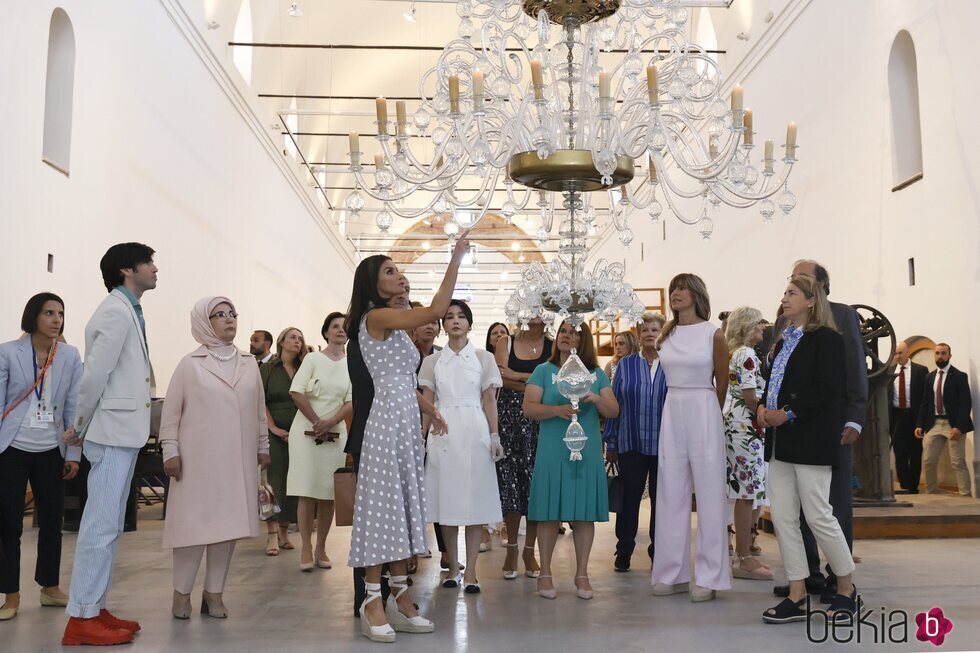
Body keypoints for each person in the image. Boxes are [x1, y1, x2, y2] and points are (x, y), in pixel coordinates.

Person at [344, 232, 470, 643]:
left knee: (403, 509)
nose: (400, 276)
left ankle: (401, 597)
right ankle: (371, 600)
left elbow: (404, 382)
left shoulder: (395, 328)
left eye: (400, 271)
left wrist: (430, 409)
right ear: (371, 282)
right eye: (390, 271)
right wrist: (455, 256)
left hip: (403, 421)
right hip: (384, 423)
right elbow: (435, 309)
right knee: (382, 511)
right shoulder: (374, 319)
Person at [62, 243, 157, 646]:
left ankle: (95, 606)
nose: (155, 269)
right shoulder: (116, 311)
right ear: (125, 270)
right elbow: (94, 374)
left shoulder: (128, 309)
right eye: (148, 262)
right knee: (99, 527)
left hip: (123, 432)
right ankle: (80, 618)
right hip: (111, 432)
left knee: (110, 526)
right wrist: (78, 424)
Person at [160, 297, 270, 619]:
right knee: (192, 531)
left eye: (231, 313)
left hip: (237, 462)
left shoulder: (249, 363)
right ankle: (181, 594)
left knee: (227, 529)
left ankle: (214, 593)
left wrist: (263, 445)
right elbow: (171, 413)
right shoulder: (189, 363)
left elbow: (258, 410)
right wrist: (170, 450)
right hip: (196, 462)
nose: (228, 319)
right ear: (204, 322)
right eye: (219, 315)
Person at [758, 275, 856, 623]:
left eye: (792, 293)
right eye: (784, 292)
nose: (784, 298)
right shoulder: (786, 339)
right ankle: (797, 593)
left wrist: (787, 412)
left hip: (811, 438)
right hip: (780, 440)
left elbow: (827, 389)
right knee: (785, 519)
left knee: (818, 515)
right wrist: (762, 408)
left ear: (811, 300)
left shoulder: (827, 339)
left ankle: (846, 588)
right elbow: (776, 384)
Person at [0, 293, 82, 621]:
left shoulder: (70, 356)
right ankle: (11, 595)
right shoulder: (8, 352)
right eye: (49, 312)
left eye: (60, 313)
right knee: (8, 524)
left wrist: (73, 452)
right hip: (12, 448)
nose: (56, 319)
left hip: (52, 448)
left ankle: (49, 588)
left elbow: (75, 406)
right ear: (34, 316)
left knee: (52, 521)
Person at [523, 321, 618, 600]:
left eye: (574, 332)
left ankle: (582, 574)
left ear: (584, 340)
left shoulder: (596, 374)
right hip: (552, 450)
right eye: (563, 331)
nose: (567, 336)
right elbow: (528, 408)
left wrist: (595, 397)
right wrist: (556, 410)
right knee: (549, 511)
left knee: (583, 512)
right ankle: (546, 574)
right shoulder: (543, 371)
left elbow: (613, 410)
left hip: (585, 451)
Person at [651, 273, 730, 603]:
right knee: (670, 490)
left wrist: (711, 412)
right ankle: (672, 572)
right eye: (672, 290)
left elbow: (722, 382)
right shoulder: (666, 335)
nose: (675, 294)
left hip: (704, 406)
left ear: (696, 293)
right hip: (673, 409)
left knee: (710, 494)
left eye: (681, 289)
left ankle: (710, 576)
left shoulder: (714, 334)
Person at [419, 300, 504, 594]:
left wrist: (494, 436)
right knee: (447, 499)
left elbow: (490, 400)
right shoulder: (432, 361)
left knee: (475, 501)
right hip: (443, 431)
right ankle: (453, 568)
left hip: (475, 428)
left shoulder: (483, 358)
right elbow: (427, 402)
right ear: (443, 324)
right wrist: (421, 436)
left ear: (470, 323)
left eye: (461, 317)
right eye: (450, 317)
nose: (455, 321)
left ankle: (472, 573)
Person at [602, 312, 668, 573]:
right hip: (631, 441)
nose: (650, 334)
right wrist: (612, 443)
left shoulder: (672, 363)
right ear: (638, 336)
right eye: (645, 330)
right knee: (629, 500)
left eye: (655, 329)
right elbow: (616, 404)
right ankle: (624, 549)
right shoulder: (626, 365)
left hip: (665, 444)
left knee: (661, 501)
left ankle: (659, 552)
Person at [288, 312, 353, 571]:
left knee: (328, 494)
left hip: (335, 432)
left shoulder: (351, 363)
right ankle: (305, 546)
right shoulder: (313, 358)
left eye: (344, 327)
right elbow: (297, 391)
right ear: (326, 332)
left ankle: (321, 547)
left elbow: (351, 401)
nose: (340, 330)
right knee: (306, 492)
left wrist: (329, 422)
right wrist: (317, 421)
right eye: (335, 326)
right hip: (306, 431)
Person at [494, 316, 552, 580]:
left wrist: (518, 376)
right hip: (509, 418)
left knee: (536, 482)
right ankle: (512, 548)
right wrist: (536, 381)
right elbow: (500, 379)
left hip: (540, 419)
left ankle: (530, 550)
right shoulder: (506, 341)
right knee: (510, 482)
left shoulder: (552, 345)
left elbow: (555, 382)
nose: (534, 314)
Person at [722, 306, 772, 580]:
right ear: (746, 326)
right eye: (758, 325)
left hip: (734, 425)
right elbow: (750, 395)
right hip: (746, 428)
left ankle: (740, 552)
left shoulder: (733, 353)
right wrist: (765, 416)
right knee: (746, 493)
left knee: (743, 492)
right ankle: (744, 556)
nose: (762, 330)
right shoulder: (747, 354)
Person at [259, 328, 306, 555]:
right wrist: (273, 428)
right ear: (281, 342)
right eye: (292, 337)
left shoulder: (304, 369)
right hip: (273, 431)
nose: (297, 341)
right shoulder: (267, 369)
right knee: (273, 482)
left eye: (300, 339)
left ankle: (285, 531)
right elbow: (260, 401)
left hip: (300, 432)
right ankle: (271, 534)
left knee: (293, 482)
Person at [916, 343, 974, 496]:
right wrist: (920, 424)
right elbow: (925, 402)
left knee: (958, 462)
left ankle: (965, 496)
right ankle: (931, 493)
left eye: (943, 353)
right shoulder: (929, 377)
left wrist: (959, 427)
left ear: (949, 356)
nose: (940, 356)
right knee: (928, 460)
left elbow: (965, 403)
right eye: (937, 353)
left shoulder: (960, 376)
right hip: (933, 424)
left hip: (953, 425)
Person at [889, 341, 927, 494]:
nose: (897, 356)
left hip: (914, 415)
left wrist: (922, 421)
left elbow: (925, 397)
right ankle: (904, 485)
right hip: (897, 416)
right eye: (895, 353)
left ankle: (913, 486)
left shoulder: (920, 370)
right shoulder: (890, 371)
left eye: (900, 353)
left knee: (915, 452)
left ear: (907, 352)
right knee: (900, 452)